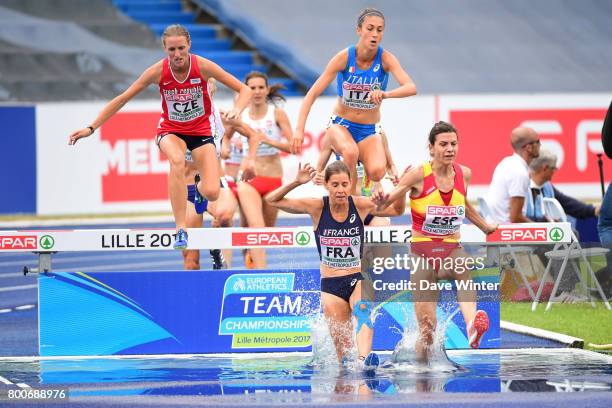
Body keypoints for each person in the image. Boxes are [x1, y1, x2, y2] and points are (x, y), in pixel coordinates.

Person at [68, 24, 252, 250]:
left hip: (201, 131)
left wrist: (238, 110)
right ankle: (180, 229)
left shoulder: (202, 66)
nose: (177, 55)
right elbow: (123, 98)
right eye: (171, 50)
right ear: (165, 48)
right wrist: (91, 127)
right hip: (171, 130)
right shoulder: (158, 71)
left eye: (181, 49)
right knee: (176, 161)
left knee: (212, 192)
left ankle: (199, 190)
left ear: (189, 46)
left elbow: (245, 90)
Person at [373, 121, 497, 362]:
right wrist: (379, 200)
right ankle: (421, 374)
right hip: (422, 254)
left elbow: (462, 204)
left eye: (453, 144)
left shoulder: (464, 174)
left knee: (463, 269)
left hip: (451, 249)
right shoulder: (419, 174)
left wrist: (484, 225)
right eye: (443, 144)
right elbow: (387, 203)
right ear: (431, 148)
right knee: (427, 330)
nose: (450, 149)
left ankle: (472, 325)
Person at [266, 161, 405, 369]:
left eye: (344, 184)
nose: (340, 190)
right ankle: (351, 369)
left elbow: (397, 211)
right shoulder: (316, 207)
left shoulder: (360, 205)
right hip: (331, 286)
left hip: (357, 278)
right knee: (344, 360)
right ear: (327, 186)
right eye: (335, 185)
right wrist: (296, 181)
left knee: (363, 310)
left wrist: (400, 189)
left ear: (350, 184)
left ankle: (364, 360)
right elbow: (271, 200)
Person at [292, 7, 416, 193]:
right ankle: (351, 203)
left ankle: (364, 193)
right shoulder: (344, 58)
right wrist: (299, 130)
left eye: (379, 30)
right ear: (359, 30)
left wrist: (385, 94)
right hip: (341, 124)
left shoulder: (386, 59)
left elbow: (411, 87)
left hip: (368, 129)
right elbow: (311, 94)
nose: (374, 34)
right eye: (370, 28)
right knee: (350, 152)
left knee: (376, 172)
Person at [182, 78, 260, 270]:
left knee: (224, 215)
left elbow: (254, 135)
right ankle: (196, 296)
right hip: (188, 188)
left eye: (206, 88)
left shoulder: (221, 116)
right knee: (191, 261)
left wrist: (250, 160)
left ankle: (216, 247)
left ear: (213, 90)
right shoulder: (176, 119)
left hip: (215, 181)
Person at [236, 71, 293, 269]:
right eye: (252, 88)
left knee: (267, 232)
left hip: (273, 178)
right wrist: (227, 146)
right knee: (257, 228)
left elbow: (293, 147)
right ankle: (262, 276)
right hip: (249, 179)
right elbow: (225, 135)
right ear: (246, 90)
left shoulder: (276, 113)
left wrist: (268, 140)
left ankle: (249, 252)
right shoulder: (240, 114)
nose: (257, 91)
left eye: (261, 87)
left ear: (267, 90)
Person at [485, 127, 541, 224]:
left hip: (497, 226)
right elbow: (515, 218)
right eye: (538, 141)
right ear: (529, 147)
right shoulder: (520, 173)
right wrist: (544, 229)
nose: (540, 145)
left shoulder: (507, 162)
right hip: (505, 231)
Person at [527, 149, 600, 223]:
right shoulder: (522, 187)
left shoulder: (547, 187)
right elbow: (518, 216)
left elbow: (568, 204)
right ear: (545, 168)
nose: (555, 171)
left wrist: (593, 210)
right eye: (553, 168)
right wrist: (545, 221)